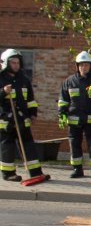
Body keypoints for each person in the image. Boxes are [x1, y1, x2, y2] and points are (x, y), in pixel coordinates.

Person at [57, 51, 91, 178]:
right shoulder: (69, 81)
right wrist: (62, 114)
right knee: (74, 145)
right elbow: (63, 100)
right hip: (73, 120)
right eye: (81, 65)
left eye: (86, 65)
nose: (83, 67)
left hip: (90, 119)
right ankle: (77, 169)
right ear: (77, 66)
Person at [0, 48, 47, 182]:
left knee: (28, 146)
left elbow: (31, 100)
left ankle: (35, 173)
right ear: (6, 63)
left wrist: (33, 114)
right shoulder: (1, 79)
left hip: (22, 119)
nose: (16, 65)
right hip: (6, 120)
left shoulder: (24, 79)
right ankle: (8, 174)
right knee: (7, 148)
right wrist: (3, 92)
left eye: (18, 63)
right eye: (13, 63)